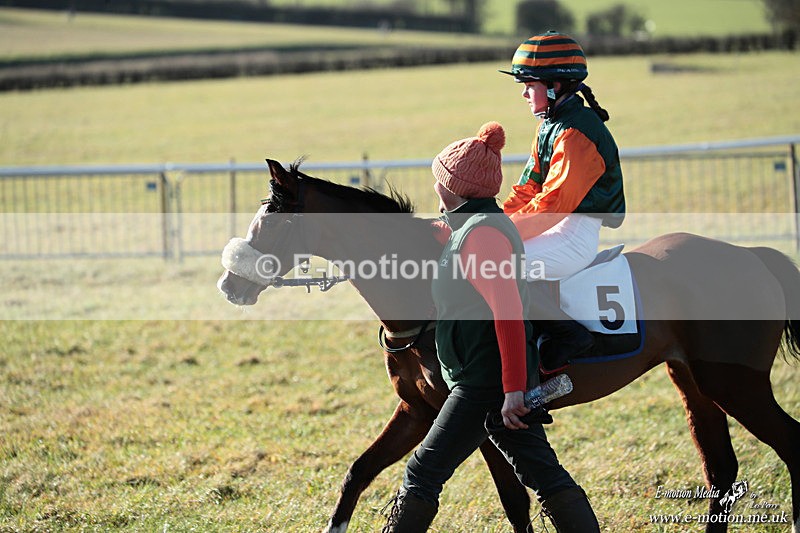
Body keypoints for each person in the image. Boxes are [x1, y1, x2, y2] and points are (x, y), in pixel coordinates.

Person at [381, 122, 599, 532]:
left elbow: (510, 314)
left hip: (486, 385)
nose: (434, 187)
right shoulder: (474, 226)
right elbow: (448, 232)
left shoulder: (482, 238)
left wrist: (514, 390)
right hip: (491, 383)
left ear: (451, 187)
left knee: (422, 473)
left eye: (438, 179)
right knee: (546, 477)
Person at [499, 31, 626, 371]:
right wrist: (492, 222)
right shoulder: (551, 124)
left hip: (572, 234)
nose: (524, 94)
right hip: (555, 226)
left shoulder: (575, 134)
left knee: (493, 265)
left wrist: (499, 235)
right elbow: (527, 190)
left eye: (529, 85)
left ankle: (567, 334)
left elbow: (552, 206)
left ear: (555, 86)